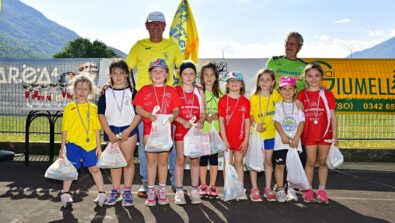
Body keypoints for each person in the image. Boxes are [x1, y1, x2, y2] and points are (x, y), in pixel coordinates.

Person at [125, 11, 183, 196]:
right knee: (145, 145)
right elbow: (125, 69)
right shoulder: (139, 46)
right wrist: (109, 84)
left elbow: (182, 70)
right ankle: (145, 183)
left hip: (167, 103)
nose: (156, 26)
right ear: (146, 25)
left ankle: (172, 181)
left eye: (160, 23)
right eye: (153, 23)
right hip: (145, 102)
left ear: (164, 26)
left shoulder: (172, 46)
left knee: (169, 144)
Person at [133, 58, 181, 206]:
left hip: (165, 131)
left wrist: (173, 117)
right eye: (154, 71)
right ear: (150, 74)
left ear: (167, 74)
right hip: (149, 131)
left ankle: (162, 190)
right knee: (151, 161)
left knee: (163, 161)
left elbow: (176, 110)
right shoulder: (144, 90)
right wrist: (148, 115)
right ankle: (151, 191)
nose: (158, 74)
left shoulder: (172, 91)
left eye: (161, 71)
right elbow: (138, 108)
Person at [59, 73, 106, 207]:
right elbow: (65, 129)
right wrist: (63, 147)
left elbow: (97, 129)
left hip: (90, 145)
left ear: (90, 91)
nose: (82, 92)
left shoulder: (94, 108)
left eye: (85, 89)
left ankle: (102, 193)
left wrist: (99, 147)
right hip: (73, 145)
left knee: (94, 168)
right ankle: (65, 194)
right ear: (74, 90)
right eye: (79, 89)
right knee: (70, 169)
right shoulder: (69, 108)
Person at [97, 59, 141, 206]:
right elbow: (101, 114)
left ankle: (127, 191)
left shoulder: (133, 92)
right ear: (110, 75)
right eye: (115, 73)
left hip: (129, 130)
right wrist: (108, 132)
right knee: (115, 162)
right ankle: (115, 191)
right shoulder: (105, 93)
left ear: (127, 74)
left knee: (128, 161)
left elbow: (138, 113)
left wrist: (128, 130)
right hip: (111, 131)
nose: (118, 76)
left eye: (122, 73)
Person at [297, 63, 338, 204]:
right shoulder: (301, 95)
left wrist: (335, 136)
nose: (313, 79)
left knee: (322, 162)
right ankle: (308, 190)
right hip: (308, 134)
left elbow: (333, 116)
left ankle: (321, 190)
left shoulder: (327, 94)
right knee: (310, 161)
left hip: (325, 133)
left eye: (316, 76)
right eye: (309, 76)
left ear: (321, 77)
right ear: (305, 78)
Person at [173, 61, 205, 205]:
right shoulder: (175, 90)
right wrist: (181, 121)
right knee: (180, 160)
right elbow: (172, 113)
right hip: (181, 129)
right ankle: (179, 191)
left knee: (194, 161)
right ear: (180, 75)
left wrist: (201, 122)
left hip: (195, 131)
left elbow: (203, 113)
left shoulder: (199, 91)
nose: (188, 76)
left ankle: (194, 190)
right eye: (185, 73)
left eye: (191, 73)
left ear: (195, 75)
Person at [249, 69, 282, 202]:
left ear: (273, 82)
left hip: (270, 135)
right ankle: (254, 188)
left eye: (268, 80)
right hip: (256, 135)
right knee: (254, 161)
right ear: (258, 81)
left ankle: (268, 188)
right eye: (262, 79)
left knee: (268, 161)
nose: (264, 82)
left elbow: (287, 103)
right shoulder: (253, 97)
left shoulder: (276, 96)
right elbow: (249, 115)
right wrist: (256, 125)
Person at [218, 71, 250, 201]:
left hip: (240, 138)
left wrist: (246, 139)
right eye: (231, 81)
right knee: (227, 163)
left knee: (238, 162)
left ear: (242, 85)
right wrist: (224, 140)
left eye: (237, 81)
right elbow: (220, 121)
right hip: (226, 138)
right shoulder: (223, 100)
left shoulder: (245, 101)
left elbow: (247, 121)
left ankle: (240, 189)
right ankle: (228, 188)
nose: (234, 84)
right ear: (227, 85)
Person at [272, 76, 305, 202]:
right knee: (280, 165)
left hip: (295, 143)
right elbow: (276, 122)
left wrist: (297, 138)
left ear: (295, 90)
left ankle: (291, 189)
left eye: (290, 88)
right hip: (281, 142)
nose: (287, 91)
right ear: (279, 91)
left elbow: (302, 122)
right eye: (284, 88)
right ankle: (280, 190)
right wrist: (283, 136)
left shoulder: (298, 105)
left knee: (292, 166)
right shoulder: (278, 105)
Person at [198, 62, 222, 199]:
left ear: (216, 77)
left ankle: (212, 185)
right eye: (206, 75)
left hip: (214, 133)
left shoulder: (221, 93)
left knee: (213, 160)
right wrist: (204, 116)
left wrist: (217, 115)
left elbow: (224, 111)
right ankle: (203, 185)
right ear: (202, 76)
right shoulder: (198, 92)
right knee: (203, 159)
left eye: (212, 75)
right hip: (201, 132)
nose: (209, 77)